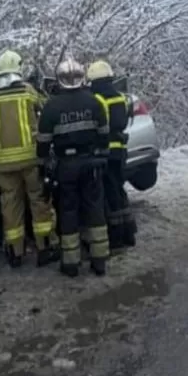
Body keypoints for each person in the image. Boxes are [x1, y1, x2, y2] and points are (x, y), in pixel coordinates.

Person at [0, 49, 57, 268]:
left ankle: (15, 252)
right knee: (38, 200)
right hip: (30, 159)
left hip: (3, 163)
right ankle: (44, 247)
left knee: (10, 205)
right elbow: (46, 107)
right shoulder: (28, 92)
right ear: (18, 68)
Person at [37, 58, 110, 277]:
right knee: (95, 210)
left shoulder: (51, 106)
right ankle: (99, 261)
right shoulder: (94, 102)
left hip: (65, 167)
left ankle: (70, 264)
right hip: (91, 165)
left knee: (67, 212)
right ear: (81, 78)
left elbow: (42, 144)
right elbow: (104, 136)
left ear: (59, 80)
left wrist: (44, 166)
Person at [88, 59, 138, 249]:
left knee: (109, 194)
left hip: (106, 151)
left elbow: (98, 127)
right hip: (120, 150)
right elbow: (122, 123)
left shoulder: (97, 99)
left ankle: (116, 236)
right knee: (119, 189)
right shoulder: (119, 97)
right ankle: (129, 232)